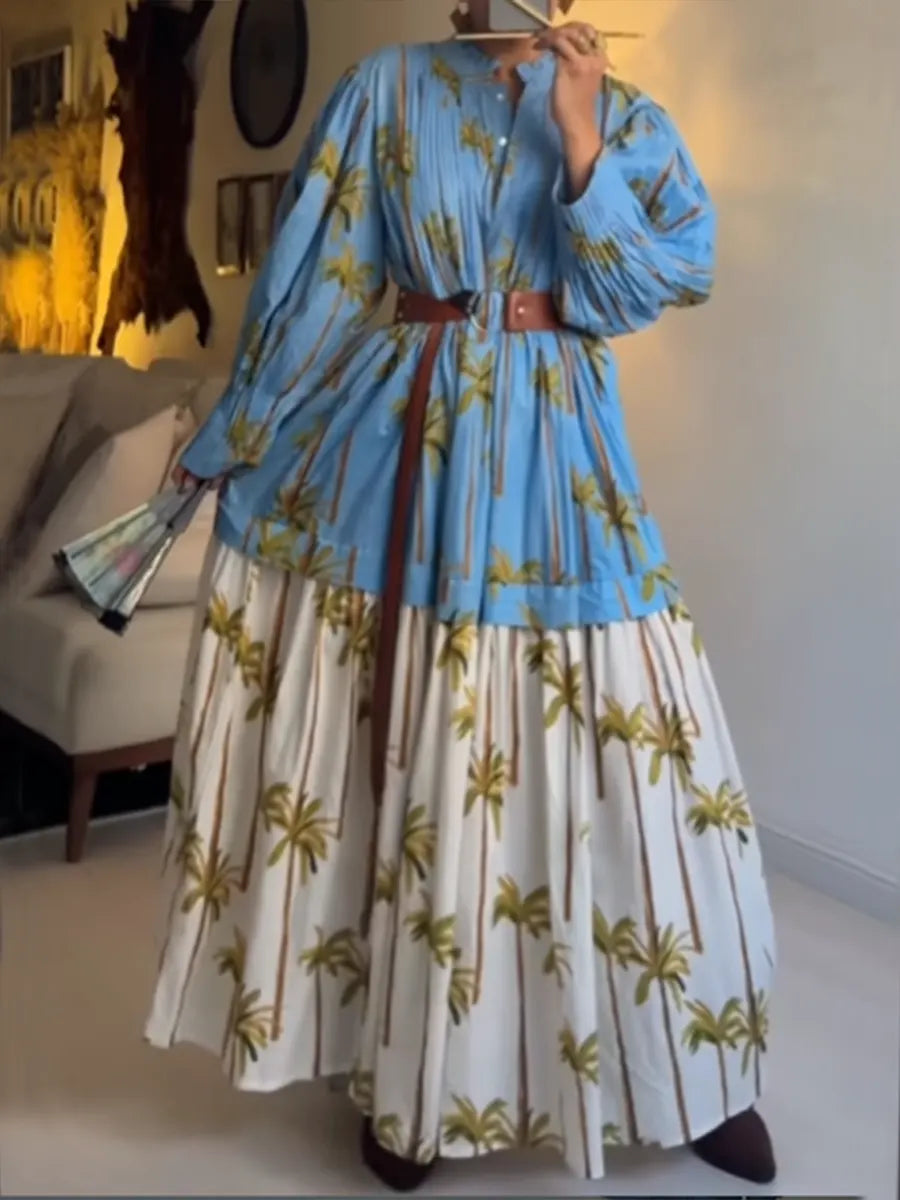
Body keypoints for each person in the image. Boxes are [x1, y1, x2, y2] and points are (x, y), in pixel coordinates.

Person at [147, 0, 777, 1189]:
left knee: (639, 735)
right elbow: (319, 280)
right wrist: (235, 434)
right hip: (402, 445)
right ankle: (414, 1079)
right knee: (415, 740)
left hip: (563, 456)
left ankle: (691, 1073)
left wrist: (582, 143)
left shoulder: (623, 111)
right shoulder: (383, 91)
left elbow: (663, 280)